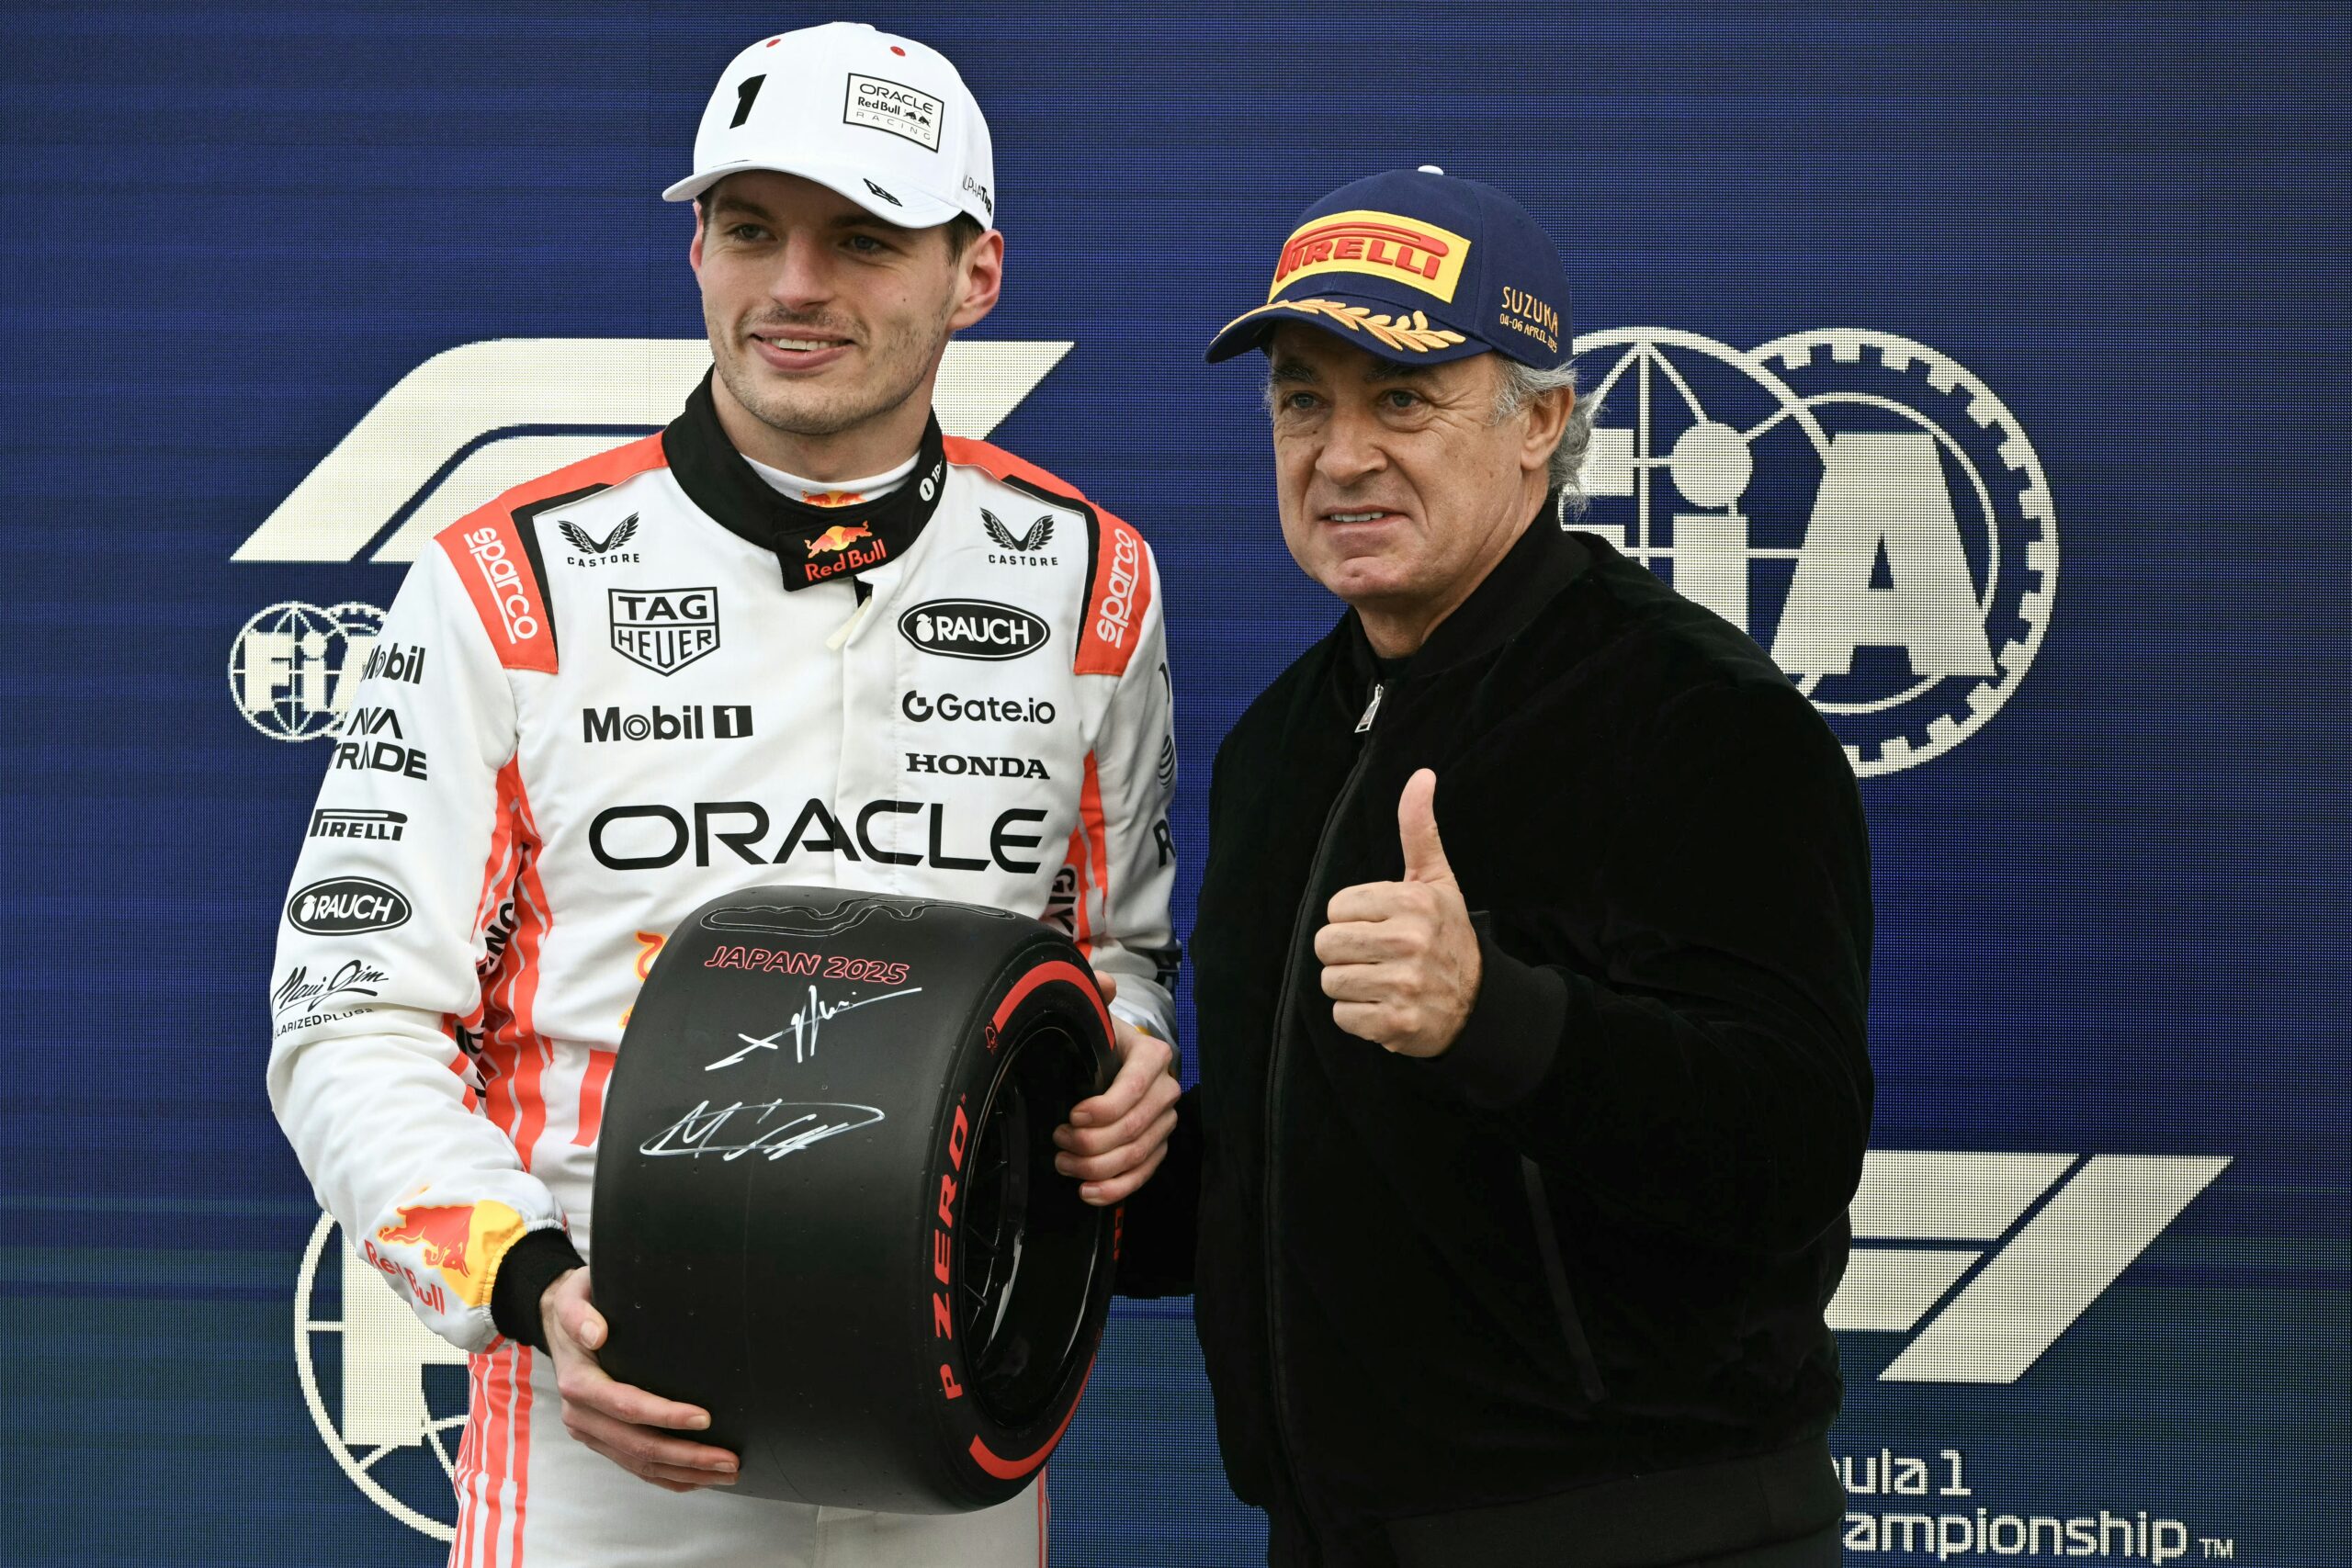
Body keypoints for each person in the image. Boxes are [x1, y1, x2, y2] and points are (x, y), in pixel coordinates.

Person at [266, 23, 1182, 1566]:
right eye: (749, 230)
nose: (795, 285)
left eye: (863, 238)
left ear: (977, 275)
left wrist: (1135, 1066)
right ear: (695, 250)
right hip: (603, 1437)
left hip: (957, 1436)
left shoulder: (1090, 577)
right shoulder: (509, 579)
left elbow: (1115, 964)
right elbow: (347, 1013)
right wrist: (531, 1287)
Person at [1114, 168, 1873, 1567]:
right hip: (1333, 1536)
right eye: (1302, 399)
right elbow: (1307, 1163)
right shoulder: (1284, 737)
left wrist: (1495, 1018)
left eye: (1402, 399)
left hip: (1654, 1540)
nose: (1341, 454)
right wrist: (1106, 1177)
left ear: (1542, 422)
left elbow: (1795, 1143)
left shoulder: (1697, 716)